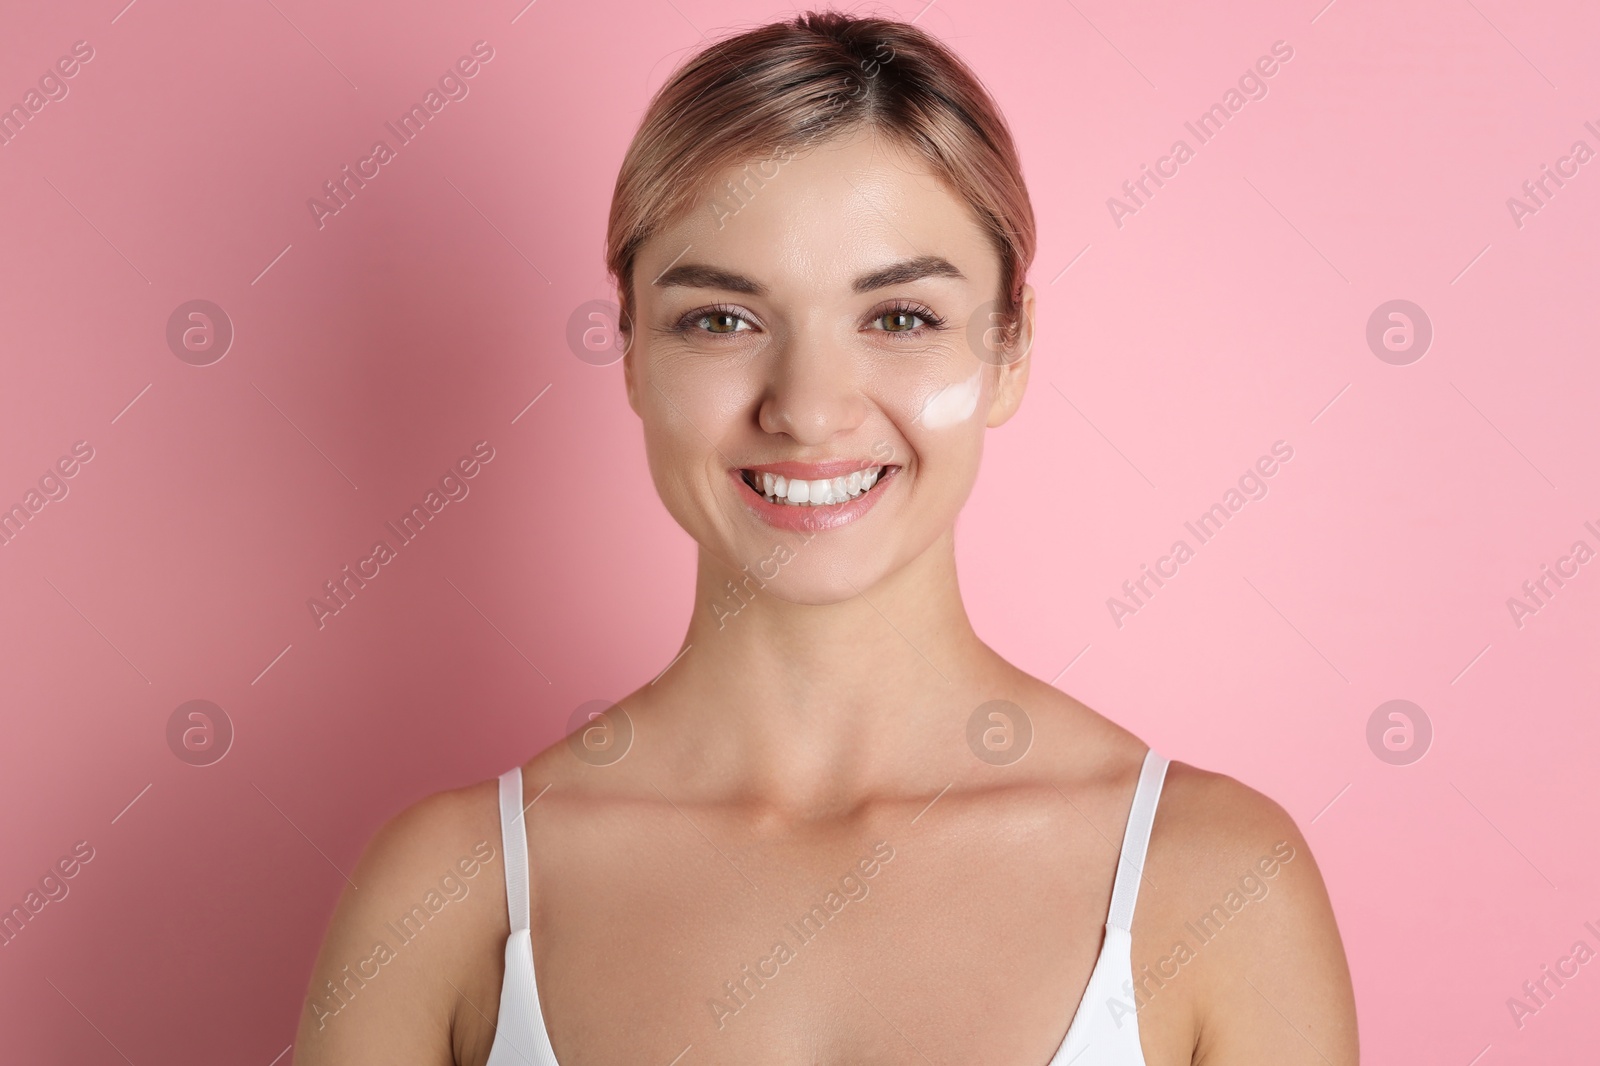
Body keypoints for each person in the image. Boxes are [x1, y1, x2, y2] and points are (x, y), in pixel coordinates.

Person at [295, 11, 1358, 1064]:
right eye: (722, 318)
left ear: (1011, 349)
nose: (807, 408)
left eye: (899, 318)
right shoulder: (446, 895)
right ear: (628, 352)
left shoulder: (1215, 883)